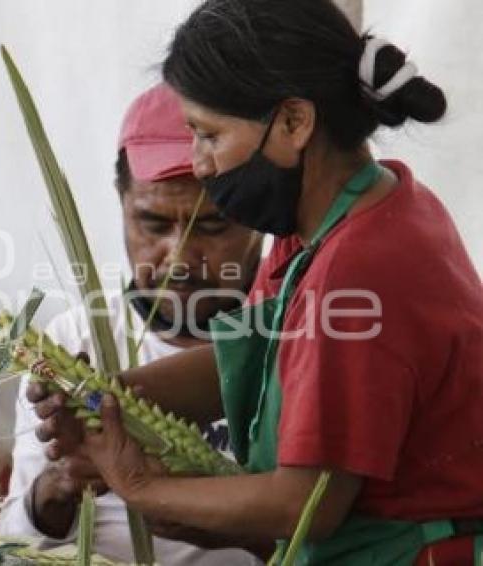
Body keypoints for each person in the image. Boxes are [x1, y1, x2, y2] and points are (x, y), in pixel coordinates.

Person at [29, 1, 483, 564]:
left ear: (294, 123)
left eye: (209, 135)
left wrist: (140, 486)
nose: (198, 164)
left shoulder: (364, 267)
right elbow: (256, 352)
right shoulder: (345, 213)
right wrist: (110, 398)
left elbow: (306, 505)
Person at [0, 83, 263, 565]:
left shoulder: (299, 342)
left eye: (212, 226)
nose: (179, 258)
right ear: (121, 204)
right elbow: (11, 545)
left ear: (262, 217)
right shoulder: (70, 347)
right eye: (154, 225)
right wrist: (57, 488)